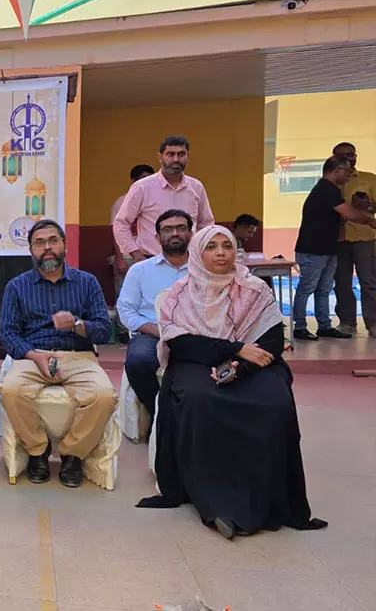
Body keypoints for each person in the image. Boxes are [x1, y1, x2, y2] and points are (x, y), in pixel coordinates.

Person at [137, 225, 327, 539]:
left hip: (251, 365)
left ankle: (272, 498)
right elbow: (181, 344)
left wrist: (239, 367)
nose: (221, 253)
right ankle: (216, 503)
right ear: (197, 253)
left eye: (226, 246)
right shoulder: (181, 293)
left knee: (274, 401)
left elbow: (271, 341)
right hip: (197, 363)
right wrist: (234, 350)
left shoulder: (255, 289)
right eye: (211, 247)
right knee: (199, 399)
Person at [0, 219, 115, 488]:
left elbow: (103, 329)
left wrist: (77, 324)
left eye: (53, 241)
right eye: (39, 243)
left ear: (64, 245)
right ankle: (37, 450)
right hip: (33, 356)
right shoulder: (17, 286)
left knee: (104, 396)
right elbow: (7, 332)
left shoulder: (87, 282)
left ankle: (72, 454)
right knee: (10, 391)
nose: (47, 248)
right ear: (31, 250)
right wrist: (34, 356)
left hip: (78, 355)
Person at [118, 209, 191, 424]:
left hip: (195, 333)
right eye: (168, 229)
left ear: (191, 233)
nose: (174, 233)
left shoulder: (203, 269)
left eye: (181, 228)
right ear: (158, 237)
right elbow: (125, 310)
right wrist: (156, 330)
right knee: (139, 361)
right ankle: (159, 414)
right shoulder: (140, 270)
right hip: (151, 334)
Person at [292, 156, 376, 341]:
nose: (348, 176)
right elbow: (348, 213)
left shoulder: (332, 190)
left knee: (324, 289)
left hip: (328, 248)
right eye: (345, 172)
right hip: (313, 249)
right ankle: (299, 326)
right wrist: (369, 220)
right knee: (306, 288)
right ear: (336, 171)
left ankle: (324, 326)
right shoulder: (326, 189)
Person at [113, 137, 215, 262]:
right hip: (151, 259)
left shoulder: (196, 187)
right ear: (160, 157)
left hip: (190, 262)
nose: (176, 159)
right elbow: (121, 223)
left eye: (181, 154)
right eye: (170, 154)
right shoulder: (142, 187)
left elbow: (206, 224)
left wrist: (203, 253)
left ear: (188, 156)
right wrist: (136, 254)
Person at [331, 142, 376, 337]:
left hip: (365, 238)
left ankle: (373, 323)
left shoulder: (369, 179)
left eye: (351, 154)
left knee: (369, 281)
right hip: (339, 239)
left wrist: (368, 206)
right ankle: (347, 322)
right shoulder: (332, 182)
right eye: (342, 155)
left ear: (356, 156)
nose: (348, 158)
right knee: (342, 283)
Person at [110, 164, 156, 297]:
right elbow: (116, 231)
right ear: (133, 181)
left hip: (151, 256)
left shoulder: (156, 201)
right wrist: (119, 258)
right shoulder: (122, 202)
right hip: (127, 257)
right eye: (143, 179)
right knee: (126, 294)